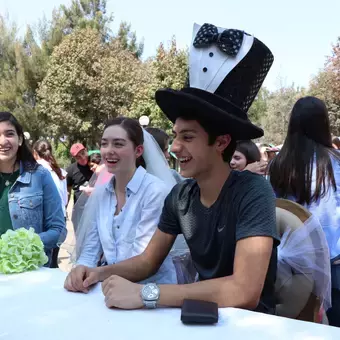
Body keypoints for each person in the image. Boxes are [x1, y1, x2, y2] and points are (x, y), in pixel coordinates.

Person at [63, 22, 279, 314]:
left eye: (188, 137)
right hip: (198, 318)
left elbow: (245, 291)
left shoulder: (253, 191)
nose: (175, 148)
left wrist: (146, 294)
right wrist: (95, 273)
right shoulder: (181, 196)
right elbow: (147, 262)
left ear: (222, 142)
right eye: (176, 136)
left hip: (249, 326)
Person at [64, 117, 177, 287]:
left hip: (153, 294)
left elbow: (144, 261)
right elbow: (90, 249)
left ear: (138, 150)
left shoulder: (155, 192)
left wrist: (98, 273)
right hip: (112, 289)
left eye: (118, 144)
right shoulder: (101, 193)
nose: (109, 151)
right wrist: (81, 269)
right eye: (104, 144)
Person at [268, 96, 340, 327]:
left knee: (298, 326)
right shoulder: (335, 162)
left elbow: (276, 210)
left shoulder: (279, 165)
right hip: (335, 261)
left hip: (293, 265)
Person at [0, 112, 66, 265]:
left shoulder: (40, 175)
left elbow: (58, 230)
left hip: (31, 274)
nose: (3, 141)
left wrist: (23, 246)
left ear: (20, 139)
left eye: (9, 134)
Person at [33, 139, 68, 268]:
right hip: (60, 218)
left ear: (35, 153)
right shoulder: (61, 172)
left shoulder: (35, 170)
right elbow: (64, 200)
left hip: (45, 220)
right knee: (53, 261)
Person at [66, 143, 93, 232]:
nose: (82, 157)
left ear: (86, 150)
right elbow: (68, 191)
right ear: (74, 158)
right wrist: (65, 208)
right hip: (80, 211)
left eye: (83, 153)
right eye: (78, 157)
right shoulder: (71, 170)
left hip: (96, 208)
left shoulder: (95, 162)